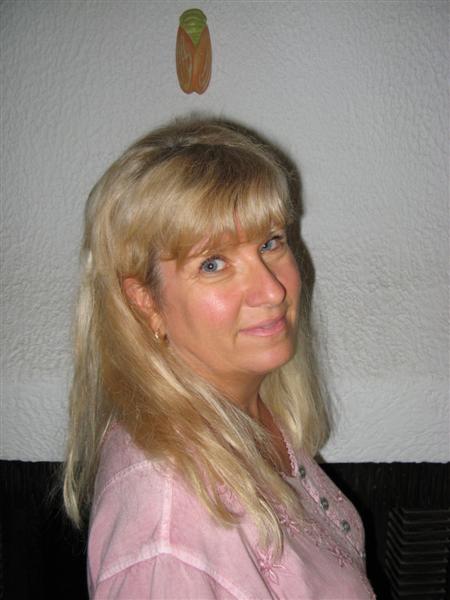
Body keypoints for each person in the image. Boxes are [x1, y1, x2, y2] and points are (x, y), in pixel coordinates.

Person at [63, 117, 375, 599]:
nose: (271, 290)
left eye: (270, 242)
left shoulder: (246, 409)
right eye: (213, 264)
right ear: (145, 301)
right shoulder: (166, 530)